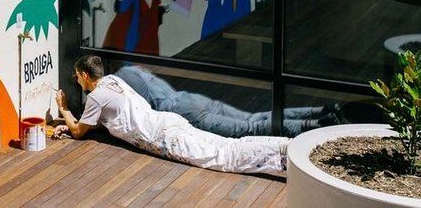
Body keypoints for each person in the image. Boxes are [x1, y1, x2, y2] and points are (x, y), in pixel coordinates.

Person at [54, 55, 288, 175]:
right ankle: (283, 146)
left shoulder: (95, 97)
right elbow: (102, 121)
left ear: (85, 75)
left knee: (223, 158)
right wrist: (76, 124)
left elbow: (78, 132)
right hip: (168, 122)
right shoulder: (113, 81)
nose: (76, 80)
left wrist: (64, 109)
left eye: (76, 76)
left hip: (164, 138)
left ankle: (285, 162)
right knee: (227, 145)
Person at [115, 64, 343, 138]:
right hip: (189, 98)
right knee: (254, 117)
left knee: (250, 128)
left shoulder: (118, 83)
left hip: (183, 112)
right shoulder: (131, 69)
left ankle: (315, 125)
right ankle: (322, 110)